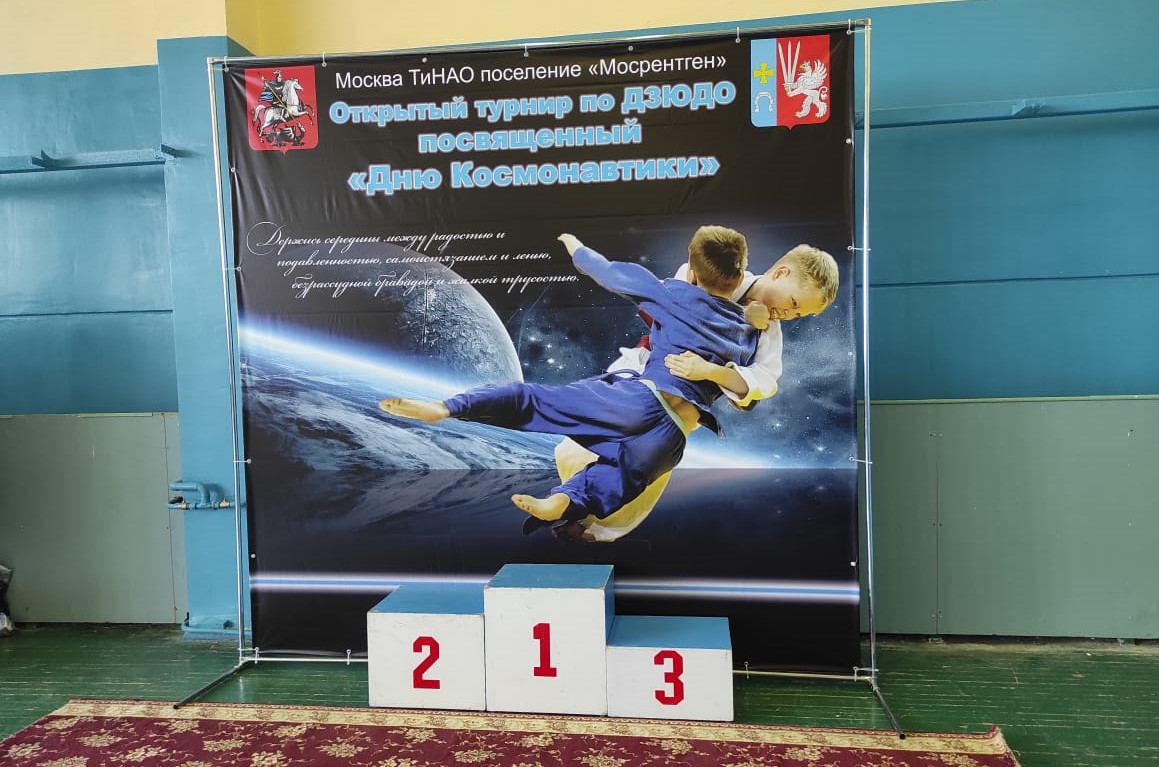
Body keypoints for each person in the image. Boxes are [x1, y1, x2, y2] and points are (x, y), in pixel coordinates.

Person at [380, 227, 761, 527]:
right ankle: (561, 501)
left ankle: (447, 408)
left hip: (640, 402)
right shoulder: (746, 335)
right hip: (671, 439)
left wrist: (574, 245)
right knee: (614, 478)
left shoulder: (672, 294)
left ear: (691, 273)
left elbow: (607, 272)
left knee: (534, 400)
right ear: (741, 274)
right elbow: (743, 389)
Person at [555, 243, 840, 542]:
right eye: (793, 302)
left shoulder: (769, 332)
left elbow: (764, 381)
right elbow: (676, 298)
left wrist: (711, 371)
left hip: (681, 401)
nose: (789, 314)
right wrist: (741, 315)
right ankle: (572, 506)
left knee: (648, 464)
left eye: (798, 314)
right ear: (780, 273)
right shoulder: (721, 274)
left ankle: (600, 528)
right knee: (579, 444)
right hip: (644, 370)